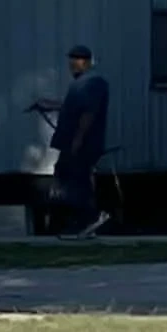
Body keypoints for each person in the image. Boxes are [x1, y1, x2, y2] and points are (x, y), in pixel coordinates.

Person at [33, 45, 111, 234]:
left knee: (78, 179)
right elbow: (71, 106)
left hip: (83, 143)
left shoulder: (93, 83)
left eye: (74, 63)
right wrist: (47, 104)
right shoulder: (80, 84)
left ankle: (89, 219)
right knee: (65, 175)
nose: (71, 67)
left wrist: (78, 138)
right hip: (70, 143)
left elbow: (88, 113)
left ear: (84, 62)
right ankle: (71, 221)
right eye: (70, 63)